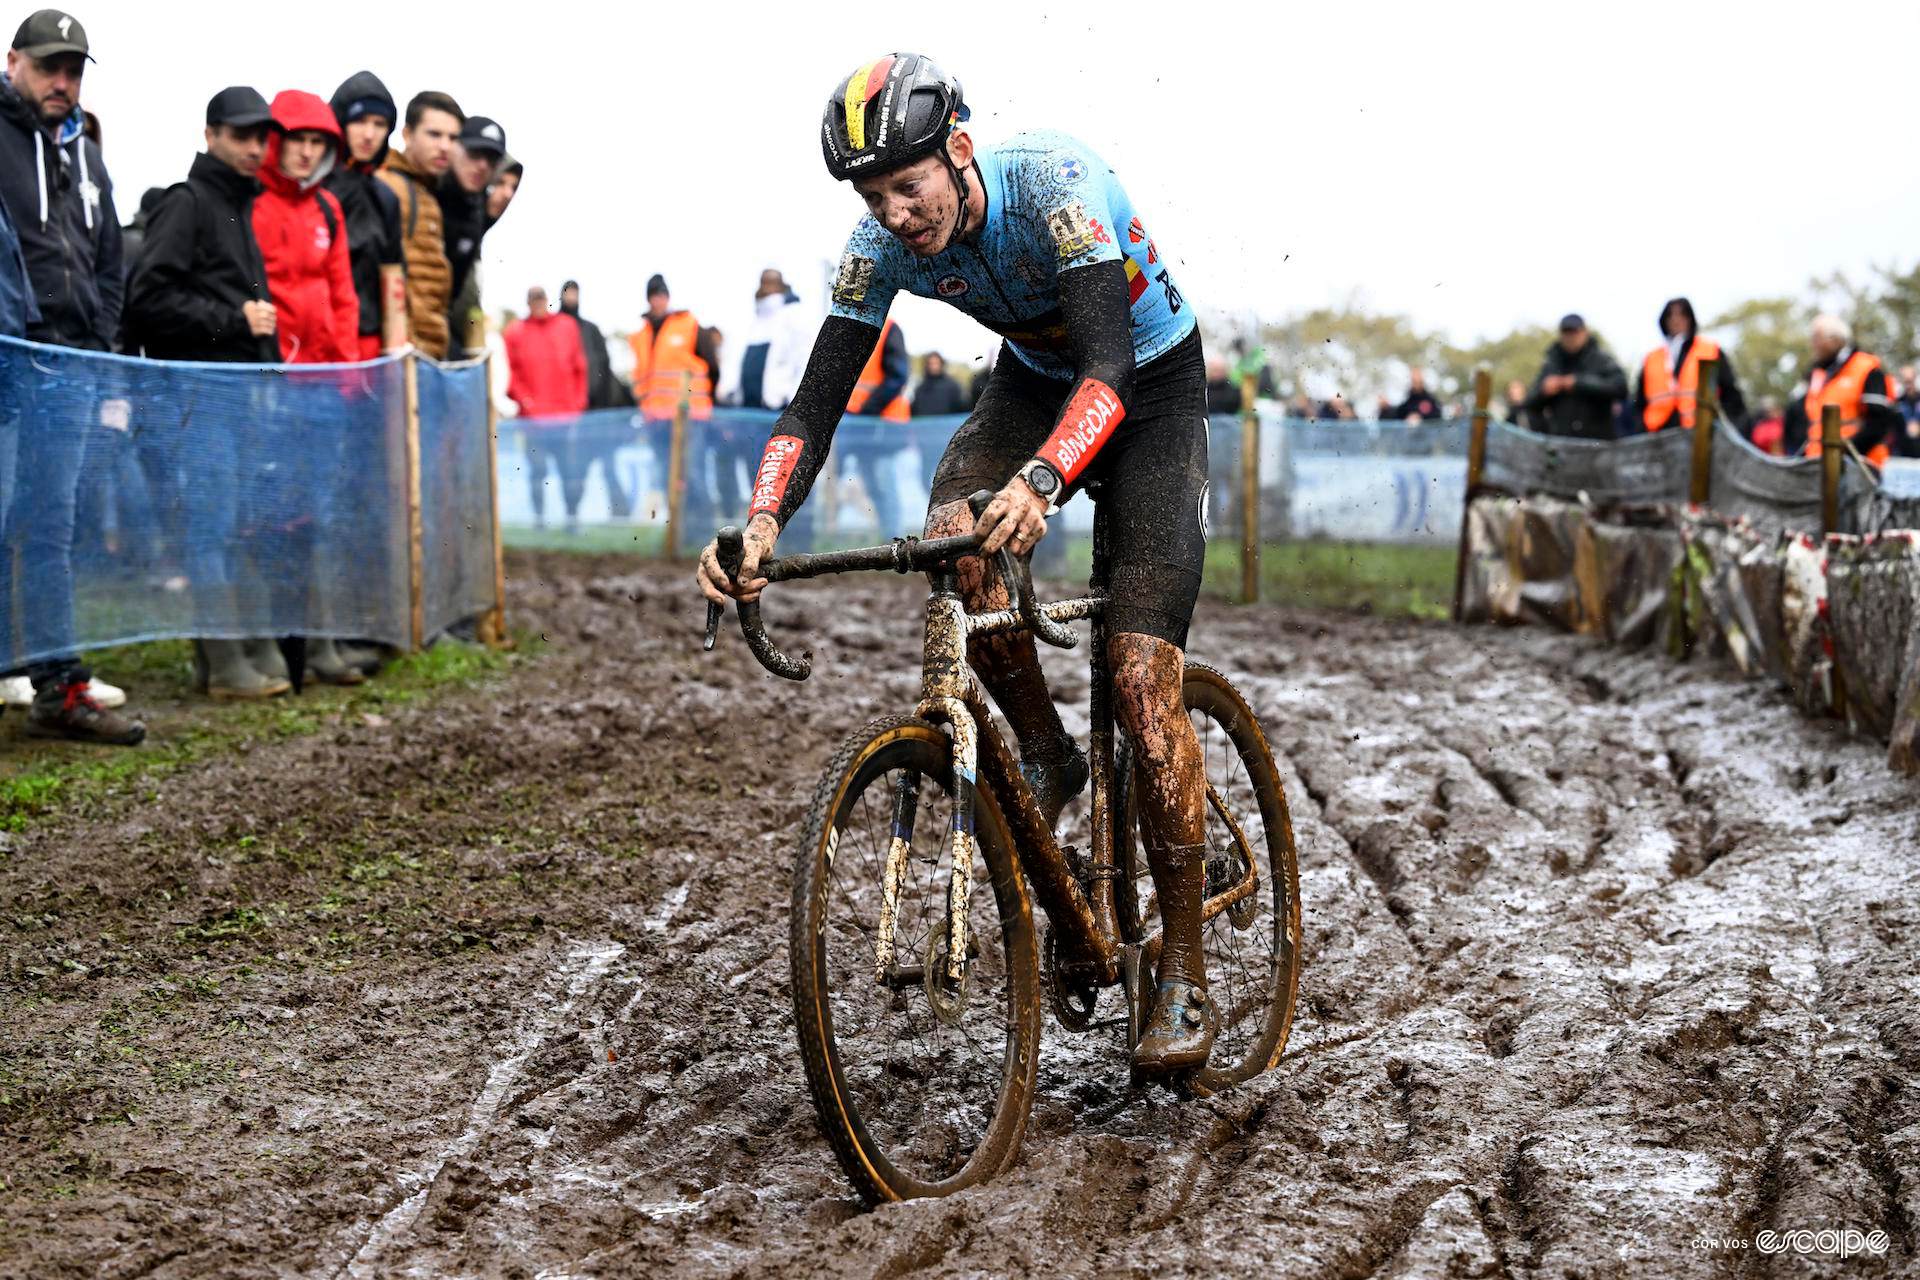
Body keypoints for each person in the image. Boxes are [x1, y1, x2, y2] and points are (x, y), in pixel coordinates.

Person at [697, 54, 1214, 1077]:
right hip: (1031, 384)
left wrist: (1046, 479)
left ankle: (1187, 966)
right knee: (954, 533)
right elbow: (814, 405)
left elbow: (1108, 368)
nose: (894, 211)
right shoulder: (872, 247)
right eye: (873, 194)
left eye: (909, 184)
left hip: (1146, 389)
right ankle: (1047, 751)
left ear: (960, 152)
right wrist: (760, 522)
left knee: (1139, 685)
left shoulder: (1054, 189)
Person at [0, 8, 142, 743]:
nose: (63, 81)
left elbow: (107, 256)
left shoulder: (83, 147)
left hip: (70, 366)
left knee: (50, 528)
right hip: (7, 359)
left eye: (75, 69)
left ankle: (59, 685)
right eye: (51, 65)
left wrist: (99, 343)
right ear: (13, 59)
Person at [123, 86, 294, 699]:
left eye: (260, 138)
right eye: (242, 135)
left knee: (234, 525)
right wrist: (235, 320)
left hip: (235, 400)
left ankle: (222, 661)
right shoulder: (188, 203)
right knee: (212, 528)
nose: (255, 148)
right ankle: (223, 666)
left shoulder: (239, 207)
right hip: (196, 398)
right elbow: (147, 302)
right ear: (210, 135)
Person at [253, 89, 363, 685]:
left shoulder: (327, 210)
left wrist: (346, 373)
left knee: (320, 516)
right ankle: (269, 644)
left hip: (323, 389)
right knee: (268, 518)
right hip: (271, 388)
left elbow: (343, 296)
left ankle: (317, 642)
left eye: (317, 142)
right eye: (296, 140)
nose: (305, 152)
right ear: (277, 142)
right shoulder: (253, 205)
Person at [629, 274, 718, 532]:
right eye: (653, 295)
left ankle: (702, 531)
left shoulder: (688, 325)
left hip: (689, 417)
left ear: (667, 297)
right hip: (657, 419)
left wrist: (702, 401)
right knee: (669, 478)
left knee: (693, 474)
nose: (657, 300)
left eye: (661, 294)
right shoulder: (641, 335)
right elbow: (641, 377)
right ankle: (679, 533)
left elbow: (711, 366)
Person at [325, 71, 404, 360]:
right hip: (320, 345)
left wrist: (395, 352)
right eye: (359, 120)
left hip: (371, 347)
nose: (369, 134)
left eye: (379, 124)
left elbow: (393, 279)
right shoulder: (314, 188)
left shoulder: (386, 198)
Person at [375, 90, 459, 358]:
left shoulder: (425, 192)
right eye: (434, 134)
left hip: (425, 355)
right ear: (408, 134)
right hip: (404, 356)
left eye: (453, 137)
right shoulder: (389, 184)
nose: (445, 145)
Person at [505, 285, 591, 529]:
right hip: (532, 422)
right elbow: (510, 372)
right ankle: (539, 520)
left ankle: (572, 519)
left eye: (541, 299)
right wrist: (524, 400)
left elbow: (579, 367)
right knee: (537, 472)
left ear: (547, 301)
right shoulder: (514, 332)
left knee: (570, 472)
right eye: (533, 300)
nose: (538, 304)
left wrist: (577, 405)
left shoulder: (566, 326)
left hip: (565, 419)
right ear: (528, 303)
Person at [1781, 314, 1900, 466]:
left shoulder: (1867, 369)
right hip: (1818, 465)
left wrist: (1845, 457)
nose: (1813, 345)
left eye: (1817, 338)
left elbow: (1879, 423)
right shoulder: (1818, 374)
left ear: (1835, 340)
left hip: (1860, 468)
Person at [838, 317, 913, 535]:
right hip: (862, 425)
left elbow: (897, 377)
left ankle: (895, 540)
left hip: (884, 425)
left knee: (884, 484)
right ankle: (888, 537)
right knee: (873, 486)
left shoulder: (889, 328)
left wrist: (867, 409)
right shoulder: (849, 328)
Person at [439, 114, 504, 357]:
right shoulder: (427, 192)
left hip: (446, 336)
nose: (482, 166)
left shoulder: (475, 214)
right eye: (476, 154)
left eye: (491, 160)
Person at [1633, 297, 1746, 434]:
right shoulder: (1652, 357)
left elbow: (1732, 396)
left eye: (1682, 315)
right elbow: (1639, 402)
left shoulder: (1710, 350)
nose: (1676, 320)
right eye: (1671, 315)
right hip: (1659, 434)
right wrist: (1642, 427)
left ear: (1690, 319)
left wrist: (1724, 427)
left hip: (1700, 433)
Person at [1525, 314, 1626, 440]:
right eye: (1566, 333)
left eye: (1574, 332)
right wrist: (1543, 391)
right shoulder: (1552, 362)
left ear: (1585, 332)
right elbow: (1529, 403)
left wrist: (1578, 383)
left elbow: (1621, 387)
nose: (1570, 337)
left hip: (1598, 444)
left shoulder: (1601, 359)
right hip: (1562, 444)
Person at [731, 268, 810, 413]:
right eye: (764, 282)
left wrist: (796, 404)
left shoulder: (794, 316)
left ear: (781, 285)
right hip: (744, 408)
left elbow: (804, 359)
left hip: (777, 409)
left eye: (772, 282)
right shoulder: (751, 319)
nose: (767, 287)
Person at [912, 349, 966, 416]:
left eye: (936, 363)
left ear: (941, 364)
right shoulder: (920, 389)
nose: (933, 367)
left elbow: (960, 409)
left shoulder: (952, 386)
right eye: (930, 363)